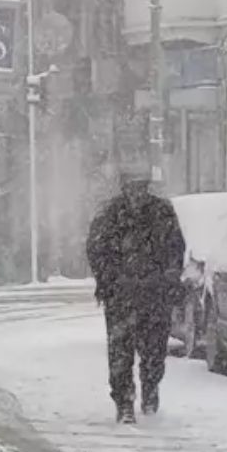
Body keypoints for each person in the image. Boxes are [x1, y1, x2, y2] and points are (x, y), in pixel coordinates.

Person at [86, 165, 186, 424]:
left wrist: (170, 277)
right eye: (132, 187)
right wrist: (107, 280)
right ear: (124, 188)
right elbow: (96, 250)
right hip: (121, 296)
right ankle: (124, 401)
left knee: (154, 351)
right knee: (120, 352)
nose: (136, 193)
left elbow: (176, 248)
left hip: (154, 296)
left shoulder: (162, 213)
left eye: (141, 187)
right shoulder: (110, 215)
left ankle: (150, 390)